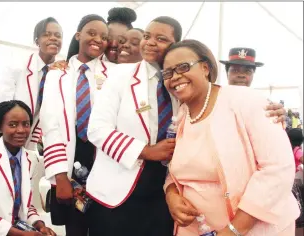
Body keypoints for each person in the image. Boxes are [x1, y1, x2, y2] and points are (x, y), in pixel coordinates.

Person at [162, 39, 299, 235]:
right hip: (195, 229)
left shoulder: (246, 100)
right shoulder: (182, 114)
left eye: (183, 67)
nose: (175, 76)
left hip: (252, 229)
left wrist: (234, 229)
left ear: (205, 68)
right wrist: (172, 194)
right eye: (168, 72)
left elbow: (277, 168)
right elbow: (176, 169)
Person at [86, 16, 183, 236]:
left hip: (164, 192)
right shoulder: (120, 75)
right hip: (117, 192)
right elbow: (98, 129)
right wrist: (146, 151)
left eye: (160, 38)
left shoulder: (181, 80)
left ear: (176, 44)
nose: (149, 42)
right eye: (147, 36)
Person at [41, 14, 114, 236]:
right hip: (70, 157)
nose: (98, 39)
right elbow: (50, 123)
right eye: (92, 33)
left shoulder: (112, 73)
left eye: (104, 36)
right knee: (76, 227)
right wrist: (60, 175)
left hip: (102, 156)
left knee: (104, 225)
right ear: (78, 35)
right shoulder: (57, 73)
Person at [0, 100, 56, 236]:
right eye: (12, 125)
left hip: (17, 228)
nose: (21, 130)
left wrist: (39, 225)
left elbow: (27, 205)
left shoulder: (30, 159)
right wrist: (20, 234)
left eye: (26, 124)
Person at [0, 17, 63, 152]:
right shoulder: (17, 66)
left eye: (58, 35)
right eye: (46, 34)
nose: (53, 38)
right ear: (37, 40)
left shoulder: (59, 74)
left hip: (23, 142)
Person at [220, 47, 286, 123]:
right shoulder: (213, 100)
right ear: (227, 73)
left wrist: (278, 116)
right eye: (235, 70)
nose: (241, 75)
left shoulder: (265, 105)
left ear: (253, 75)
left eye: (247, 71)